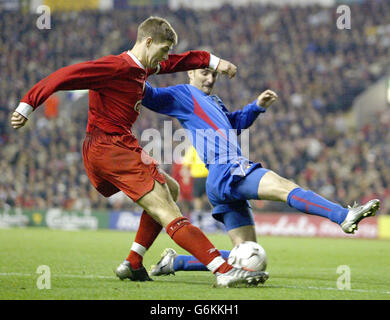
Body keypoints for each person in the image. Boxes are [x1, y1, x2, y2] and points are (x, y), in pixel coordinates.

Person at [10, 16, 269, 287]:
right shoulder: (115, 66)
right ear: (147, 42)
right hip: (112, 147)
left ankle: (133, 262)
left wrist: (215, 62)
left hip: (107, 147)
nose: (165, 57)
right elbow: (65, 75)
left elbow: (179, 61)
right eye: (163, 50)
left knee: (171, 189)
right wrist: (27, 105)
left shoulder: (143, 68)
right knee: (170, 211)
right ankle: (224, 270)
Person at [137, 67, 380, 276]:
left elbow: (234, 125)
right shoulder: (182, 94)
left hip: (219, 180)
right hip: (227, 168)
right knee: (284, 186)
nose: (210, 79)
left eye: (213, 75)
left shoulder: (214, 101)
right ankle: (342, 216)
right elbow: (151, 95)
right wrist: (132, 67)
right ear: (190, 72)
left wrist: (256, 107)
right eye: (204, 73)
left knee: (249, 258)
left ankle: (177, 261)